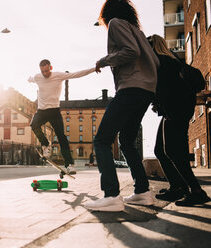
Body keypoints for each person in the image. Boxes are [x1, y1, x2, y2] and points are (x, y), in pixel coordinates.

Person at [84, 0, 159, 212]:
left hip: (131, 88)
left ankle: (111, 195)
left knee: (102, 140)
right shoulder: (137, 30)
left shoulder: (116, 23)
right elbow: (154, 61)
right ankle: (143, 192)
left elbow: (130, 52)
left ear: (106, 14)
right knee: (126, 141)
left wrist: (104, 60)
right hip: (146, 91)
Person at [148, 34, 211, 206]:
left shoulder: (163, 63)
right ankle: (178, 187)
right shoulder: (171, 61)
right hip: (177, 110)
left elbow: (165, 91)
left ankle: (196, 190)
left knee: (174, 152)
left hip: (176, 111)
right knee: (161, 150)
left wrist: (159, 104)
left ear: (152, 47)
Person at [28, 59, 94, 175]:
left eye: (47, 71)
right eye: (43, 71)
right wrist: (28, 79)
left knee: (62, 137)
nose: (45, 74)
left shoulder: (58, 75)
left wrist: (94, 68)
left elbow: (76, 75)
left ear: (51, 68)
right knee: (34, 125)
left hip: (54, 111)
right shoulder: (38, 77)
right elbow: (31, 79)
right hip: (42, 110)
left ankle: (69, 165)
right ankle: (46, 144)